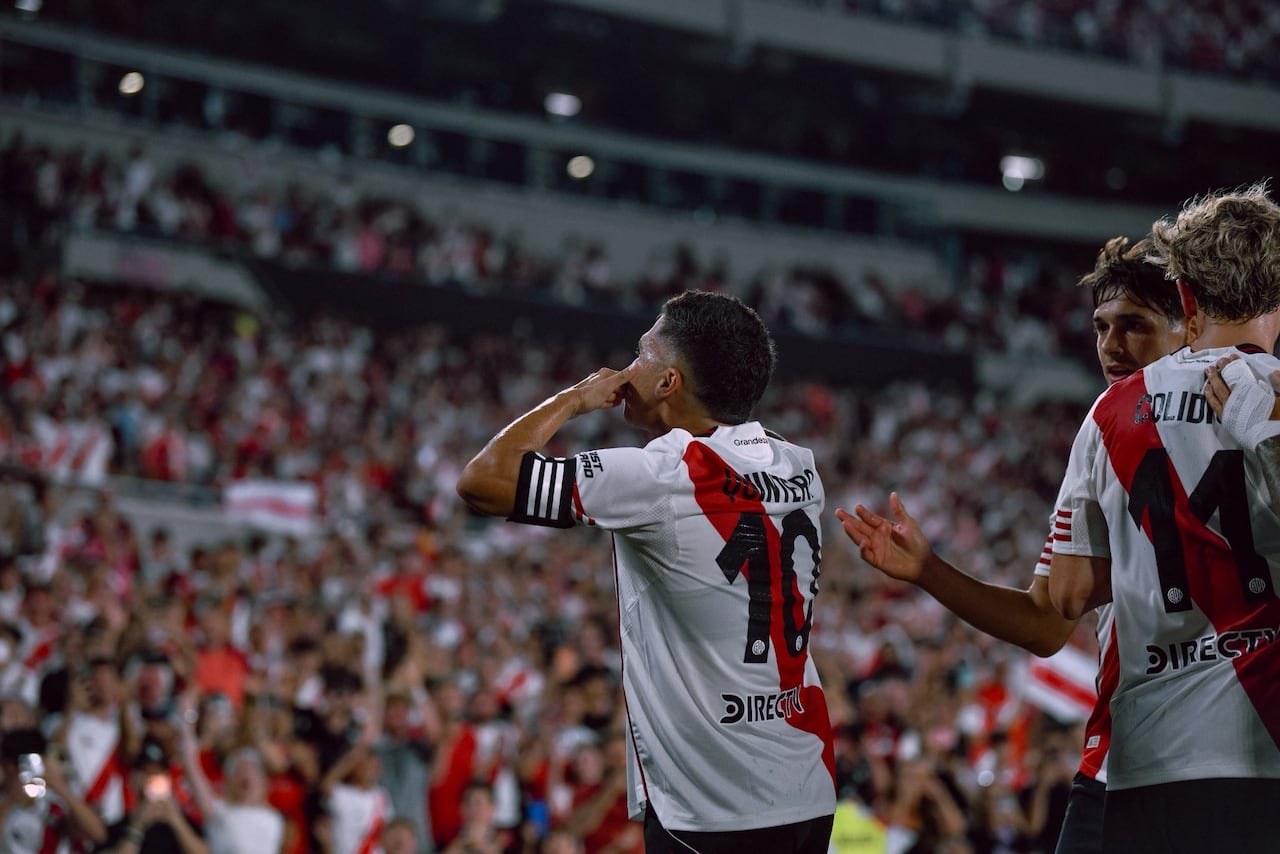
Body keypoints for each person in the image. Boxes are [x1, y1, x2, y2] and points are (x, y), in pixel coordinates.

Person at [835, 236, 1188, 853]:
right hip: (1157, 767)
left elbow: (1059, 612)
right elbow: (1049, 623)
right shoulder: (1129, 426)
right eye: (1101, 327)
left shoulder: (1124, 425)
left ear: (1191, 324)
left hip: (1177, 767)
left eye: (1134, 326)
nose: (1110, 346)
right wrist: (928, 572)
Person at [457, 290, 836, 853]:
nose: (626, 370)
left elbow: (482, 481)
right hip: (808, 784)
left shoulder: (662, 475)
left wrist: (576, 399)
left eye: (642, 355)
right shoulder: (798, 465)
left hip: (715, 807)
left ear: (668, 383)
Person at [1046, 182, 1280, 853]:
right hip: (1263, 752)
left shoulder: (1115, 408)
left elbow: (1062, 596)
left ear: (1185, 299)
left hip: (1141, 761)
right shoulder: (1273, 400)